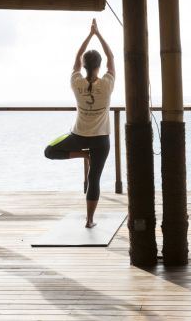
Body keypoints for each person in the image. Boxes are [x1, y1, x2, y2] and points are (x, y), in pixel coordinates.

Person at [44, 19, 114, 228]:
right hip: (101, 140)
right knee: (94, 179)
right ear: (99, 66)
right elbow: (111, 57)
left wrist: (89, 35)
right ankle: (89, 220)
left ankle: (83, 154)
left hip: (79, 136)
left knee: (49, 151)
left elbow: (76, 58)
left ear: (84, 65)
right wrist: (98, 34)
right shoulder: (107, 84)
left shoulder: (76, 82)